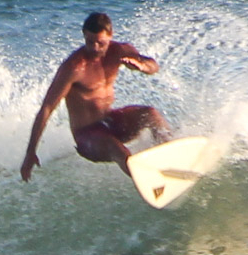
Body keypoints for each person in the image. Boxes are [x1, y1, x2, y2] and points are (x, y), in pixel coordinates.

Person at [20, 12, 172, 181]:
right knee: (117, 149)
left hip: (110, 122)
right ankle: (152, 182)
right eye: (90, 42)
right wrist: (30, 152)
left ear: (111, 35)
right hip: (88, 137)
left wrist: (142, 67)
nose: (95, 48)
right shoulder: (74, 67)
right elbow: (46, 109)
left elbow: (153, 65)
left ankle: (175, 156)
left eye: (101, 43)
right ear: (84, 35)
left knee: (150, 114)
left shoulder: (119, 51)